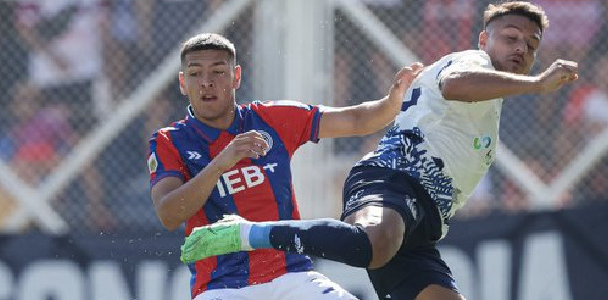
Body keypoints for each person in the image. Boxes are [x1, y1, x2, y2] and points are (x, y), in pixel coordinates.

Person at [181, 2, 580, 300]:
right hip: (391, 180)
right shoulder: (471, 62)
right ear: (483, 39)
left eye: (531, 44)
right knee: (373, 243)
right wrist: (538, 85)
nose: (520, 48)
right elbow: (455, 84)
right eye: (510, 37)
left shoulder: (494, 100)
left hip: (423, 224)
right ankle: (245, 232)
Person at [148, 33, 423, 299]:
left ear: (236, 77)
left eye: (218, 72)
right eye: (195, 74)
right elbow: (170, 214)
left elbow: (356, 121)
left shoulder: (270, 118)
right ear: (183, 83)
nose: (206, 82)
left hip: (291, 275)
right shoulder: (169, 141)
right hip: (220, 287)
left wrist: (392, 101)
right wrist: (221, 162)